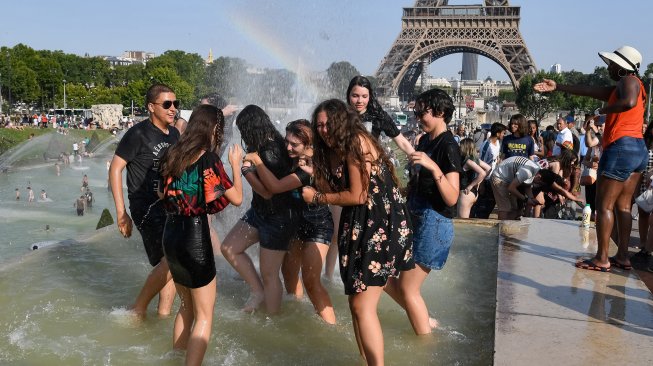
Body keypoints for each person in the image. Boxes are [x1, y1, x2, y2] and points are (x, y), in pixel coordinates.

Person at [303, 99, 413, 364]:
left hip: (376, 225)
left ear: (341, 121)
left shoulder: (355, 143)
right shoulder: (340, 146)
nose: (323, 130)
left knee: (363, 306)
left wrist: (317, 197)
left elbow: (358, 194)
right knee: (355, 305)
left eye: (328, 124)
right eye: (319, 126)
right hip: (360, 224)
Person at [535, 45, 648, 272]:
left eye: (612, 64)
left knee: (604, 205)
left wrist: (601, 112)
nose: (609, 67)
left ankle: (602, 258)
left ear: (622, 67)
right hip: (638, 148)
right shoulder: (626, 85)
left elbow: (628, 103)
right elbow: (587, 89)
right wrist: (558, 86)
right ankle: (623, 256)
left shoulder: (629, 82)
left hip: (622, 147)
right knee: (624, 207)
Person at [160, 104, 243, 366]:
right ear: (214, 128)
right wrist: (236, 167)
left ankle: (177, 360)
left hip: (170, 235)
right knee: (205, 316)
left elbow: (162, 194)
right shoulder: (208, 159)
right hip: (194, 237)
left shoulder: (172, 153)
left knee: (185, 307)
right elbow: (237, 199)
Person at [384, 88, 460, 337]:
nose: (417, 116)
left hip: (434, 222)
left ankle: (426, 343)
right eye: (415, 110)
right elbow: (420, 185)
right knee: (382, 273)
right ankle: (423, 319)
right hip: (417, 216)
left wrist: (432, 165)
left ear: (440, 112)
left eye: (422, 111)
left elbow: (452, 197)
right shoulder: (426, 140)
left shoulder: (448, 146)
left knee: (408, 289)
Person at [244, 119, 336, 324]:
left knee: (311, 281)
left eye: (294, 144)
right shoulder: (289, 157)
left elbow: (275, 187)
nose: (288, 147)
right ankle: (299, 318)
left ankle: (331, 327)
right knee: (289, 278)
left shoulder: (313, 164)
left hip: (317, 225)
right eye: (287, 141)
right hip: (293, 224)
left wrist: (255, 163)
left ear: (309, 144)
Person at [109, 83, 181, 316]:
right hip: (146, 206)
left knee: (168, 262)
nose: (173, 109)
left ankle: (163, 313)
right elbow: (115, 168)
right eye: (167, 104)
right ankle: (138, 308)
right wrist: (122, 212)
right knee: (171, 258)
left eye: (175, 104)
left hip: (169, 203)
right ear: (151, 107)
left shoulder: (175, 134)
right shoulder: (138, 134)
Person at [220, 105, 299, 314]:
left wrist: (242, 169)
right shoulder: (266, 145)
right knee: (229, 247)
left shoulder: (270, 151)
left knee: (270, 275)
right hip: (260, 212)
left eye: (243, 130)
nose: (243, 136)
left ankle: (272, 320)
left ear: (250, 128)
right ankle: (258, 291)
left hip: (278, 218)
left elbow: (267, 192)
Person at [471, 122, 506, 218]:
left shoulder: (498, 143)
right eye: (503, 133)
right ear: (498, 133)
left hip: (492, 177)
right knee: (484, 205)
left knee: (491, 202)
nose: (504, 135)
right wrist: (481, 183)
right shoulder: (487, 146)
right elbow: (480, 164)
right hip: (485, 179)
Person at [457, 138, 490, 218]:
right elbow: (488, 168)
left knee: (462, 223)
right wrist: (477, 183)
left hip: (466, 193)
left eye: (460, 146)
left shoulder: (468, 161)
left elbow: (482, 173)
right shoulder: (475, 159)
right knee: (466, 222)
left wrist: (472, 185)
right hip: (473, 193)